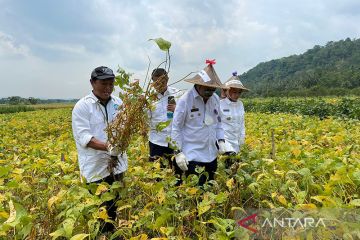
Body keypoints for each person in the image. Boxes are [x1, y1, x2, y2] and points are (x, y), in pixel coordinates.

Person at [72, 66, 128, 233]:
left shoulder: (118, 103)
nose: (108, 88)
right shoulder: (82, 107)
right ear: (92, 83)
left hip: (118, 166)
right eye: (104, 83)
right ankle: (101, 235)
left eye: (111, 84)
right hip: (95, 168)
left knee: (115, 206)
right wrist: (110, 147)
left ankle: (112, 234)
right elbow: (85, 138)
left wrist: (122, 143)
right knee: (100, 210)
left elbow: (125, 129)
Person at [171, 60, 228, 186]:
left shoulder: (215, 99)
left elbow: (218, 123)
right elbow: (176, 128)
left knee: (209, 191)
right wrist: (178, 152)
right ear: (198, 85)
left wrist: (221, 140)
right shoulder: (185, 100)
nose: (210, 93)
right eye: (207, 89)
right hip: (192, 156)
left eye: (213, 89)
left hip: (211, 155)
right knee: (196, 194)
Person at [148, 68, 182, 168]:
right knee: (157, 173)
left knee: (177, 173)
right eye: (156, 82)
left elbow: (187, 115)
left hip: (175, 140)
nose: (159, 85)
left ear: (167, 79)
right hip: (156, 141)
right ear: (152, 82)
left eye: (162, 82)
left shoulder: (177, 94)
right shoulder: (148, 97)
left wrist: (177, 110)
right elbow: (146, 119)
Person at [219, 71, 249, 168]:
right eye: (234, 91)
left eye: (239, 92)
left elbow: (242, 123)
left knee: (237, 167)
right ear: (227, 91)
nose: (237, 94)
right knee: (230, 165)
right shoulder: (220, 104)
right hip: (226, 140)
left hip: (237, 141)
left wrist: (242, 138)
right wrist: (220, 141)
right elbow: (216, 124)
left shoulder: (240, 104)